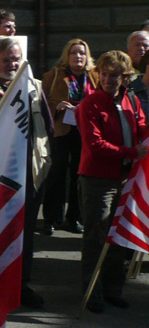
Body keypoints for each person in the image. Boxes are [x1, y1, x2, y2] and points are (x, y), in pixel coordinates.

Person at [0, 37, 51, 308]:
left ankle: (21, 286)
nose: (12, 64)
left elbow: (46, 129)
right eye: (5, 59)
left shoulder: (35, 86)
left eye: (16, 59)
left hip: (30, 173)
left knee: (24, 233)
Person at [76, 50, 149, 313]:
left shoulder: (131, 100)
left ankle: (113, 290)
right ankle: (92, 292)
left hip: (125, 176)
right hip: (98, 178)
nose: (107, 79)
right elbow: (95, 146)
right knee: (96, 236)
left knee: (117, 235)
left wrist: (143, 139)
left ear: (125, 77)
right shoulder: (90, 103)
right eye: (104, 74)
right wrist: (132, 152)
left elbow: (141, 127)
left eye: (114, 75)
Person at [40, 39, 97, 235]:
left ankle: (74, 218)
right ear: (67, 55)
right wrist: (57, 106)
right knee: (56, 173)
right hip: (61, 129)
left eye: (82, 53)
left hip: (84, 131)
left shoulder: (95, 76)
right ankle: (51, 219)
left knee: (78, 176)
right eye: (74, 53)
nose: (78, 56)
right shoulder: (54, 74)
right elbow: (43, 99)